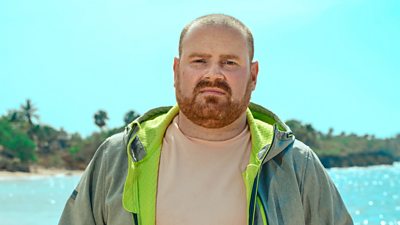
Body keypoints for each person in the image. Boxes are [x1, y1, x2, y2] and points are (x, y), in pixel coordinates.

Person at [59, 14, 353, 225]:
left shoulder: (295, 164)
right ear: (176, 71)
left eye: (229, 62)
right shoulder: (119, 156)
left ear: (253, 76)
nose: (213, 74)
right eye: (199, 61)